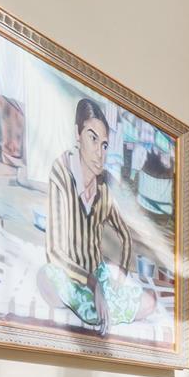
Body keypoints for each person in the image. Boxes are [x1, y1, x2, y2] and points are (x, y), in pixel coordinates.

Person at [45, 97, 137, 328]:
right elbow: (54, 251)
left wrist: (120, 277)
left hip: (99, 276)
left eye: (104, 144)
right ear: (78, 134)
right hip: (69, 274)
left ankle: (101, 303)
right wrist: (93, 284)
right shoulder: (62, 174)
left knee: (145, 302)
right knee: (51, 286)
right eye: (92, 138)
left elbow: (125, 236)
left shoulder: (104, 187)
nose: (100, 152)